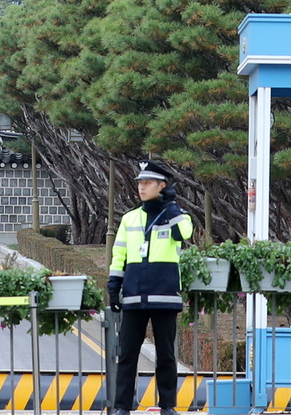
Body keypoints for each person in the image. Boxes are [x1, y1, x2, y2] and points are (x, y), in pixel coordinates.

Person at [107, 160, 193, 415]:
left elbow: (183, 234)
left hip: (164, 294)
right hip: (134, 294)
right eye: (140, 183)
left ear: (162, 186)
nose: (141, 188)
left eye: (147, 183)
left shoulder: (177, 216)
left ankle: (168, 405)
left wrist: (171, 205)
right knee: (127, 355)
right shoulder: (130, 218)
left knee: (166, 355)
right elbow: (118, 254)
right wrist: (114, 286)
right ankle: (122, 406)